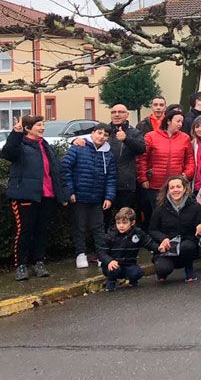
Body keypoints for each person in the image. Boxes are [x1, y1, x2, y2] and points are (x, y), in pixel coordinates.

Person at [3, 116, 69, 280]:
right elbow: (7, 153)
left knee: (42, 231)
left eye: (43, 125)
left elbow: (55, 171)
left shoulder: (46, 146)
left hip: (47, 196)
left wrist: (62, 194)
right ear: (28, 128)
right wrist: (15, 133)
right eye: (39, 125)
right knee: (24, 231)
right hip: (26, 195)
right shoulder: (20, 145)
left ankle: (38, 261)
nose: (42, 128)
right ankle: (21, 265)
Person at [61, 124, 116, 268]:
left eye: (105, 135)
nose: (101, 137)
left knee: (98, 227)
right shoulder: (79, 147)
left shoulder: (108, 154)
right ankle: (80, 254)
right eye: (99, 133)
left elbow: (111, 178)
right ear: (92, 133)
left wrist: (109, 197)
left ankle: (101, 254)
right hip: (79, 196)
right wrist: (70, 191)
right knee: (79, 226)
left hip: (97, 198)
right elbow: (65, 168)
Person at [139, 107, 196, 216]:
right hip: (155, 184)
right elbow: (142, 159)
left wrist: (187, 174)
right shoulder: (151, 136)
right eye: (178, 121)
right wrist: (143, 178)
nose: (180, 124)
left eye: (182, 122)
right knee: (156, 213)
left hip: (176, 185)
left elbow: (190, 160)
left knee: (174, 214)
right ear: (168, 121)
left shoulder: (185, 138)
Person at [147, 175, 201, 283]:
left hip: (187, 246)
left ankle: (189, 268)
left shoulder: (195, 206)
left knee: (187, 246)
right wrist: (163, 238)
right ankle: (164, 270)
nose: (175, 190)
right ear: (168, 191)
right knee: (162, 268)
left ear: (184, 189)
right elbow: (152, 230)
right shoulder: (160, 208)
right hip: (168, 248)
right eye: (172, 187)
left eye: (178, 187)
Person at [97, 207, 151, 291]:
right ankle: (111, 282)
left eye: (125, 223)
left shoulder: (138, 233)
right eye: (118, 223)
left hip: (128, 264)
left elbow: (149, 243)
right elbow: (101, 252)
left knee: (138, 273)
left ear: (132, 223)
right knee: (113, 269)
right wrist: (109, 261)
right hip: (112, 265)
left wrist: (159, 247)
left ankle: (133, 280)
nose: (121, 226)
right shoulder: (110, 235)